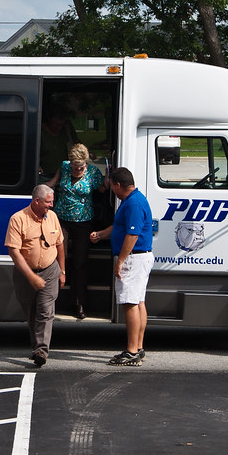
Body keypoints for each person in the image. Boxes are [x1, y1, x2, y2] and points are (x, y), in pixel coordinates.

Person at [89, 167, 154, 366]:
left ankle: (132, 350)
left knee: (131, 304)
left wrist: (121, 261)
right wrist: (100, 234)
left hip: (134, 258)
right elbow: (119, 228)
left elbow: (132, 235)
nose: (109, 187)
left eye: (111, 183)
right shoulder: (132, 200)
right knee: (139, 302)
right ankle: (138, 347)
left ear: (118, 185)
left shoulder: (133, 203)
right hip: (139, 258)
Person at [5, 184, 66, 367]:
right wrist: (31, 277)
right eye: (48, 202)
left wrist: (62, 271)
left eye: (52, 202)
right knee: (31, 312)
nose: (51, 206)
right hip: (25, 273)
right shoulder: (18, 219)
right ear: (36, 201)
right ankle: (36, 346)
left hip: (50, 270)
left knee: (45, 311)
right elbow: (14, 252)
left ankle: (41, 350)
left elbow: (60, 245)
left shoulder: (53, 217)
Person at [46, 143, 106, 319]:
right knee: (57, 257)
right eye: (75, 166)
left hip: (83, 221)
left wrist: (108, 178)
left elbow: (102, 189)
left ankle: (79, 303)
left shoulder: (93, 172)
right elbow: (52, 183)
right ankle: (50, 301)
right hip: (61, 219)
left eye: (81, 166)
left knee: (80, 262)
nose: (78, 169)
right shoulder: (64, 166)